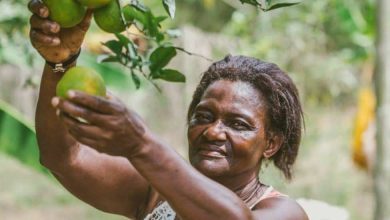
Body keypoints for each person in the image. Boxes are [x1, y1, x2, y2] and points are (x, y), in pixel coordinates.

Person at [28, 0, 309, 219]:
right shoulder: (155, 193)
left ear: (270, 143)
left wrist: (140, 144)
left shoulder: (285, 213)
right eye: (204, 116)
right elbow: (63, 157)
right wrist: (60, 63)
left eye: (237, 124)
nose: (212, 131)